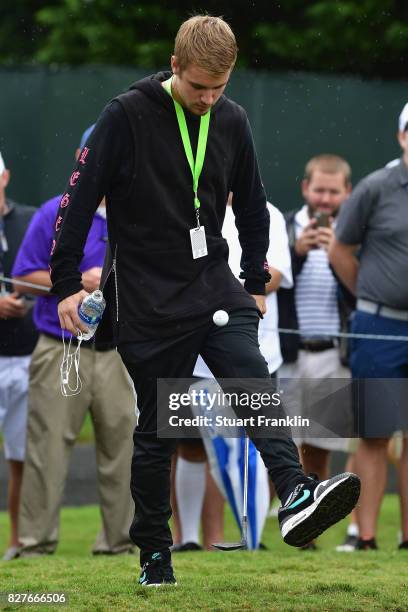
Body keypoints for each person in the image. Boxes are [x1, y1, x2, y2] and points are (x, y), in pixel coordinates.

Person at [50, 16, 360, 586]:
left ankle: (293, 491)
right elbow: (77, 200)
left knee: (252, 376)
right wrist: (67, 282)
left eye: (219, 88)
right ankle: (154, 554)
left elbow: (253, 201)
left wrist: (253, 279)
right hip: (144, 294)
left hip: (214, 284)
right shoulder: (125, 116)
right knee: (158, 429)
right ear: (174, 67)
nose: (208, 99)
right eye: (198, 89)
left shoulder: (233, 118)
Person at [11, 127, 136, 557]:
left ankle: (120, 545)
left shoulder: (138, 214)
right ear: (83, 157)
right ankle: (34, 546)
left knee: (124, 450)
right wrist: (73, 282)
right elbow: (23, 276)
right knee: (47, 451)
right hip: (60, 347)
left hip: (120, 351)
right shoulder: (54, 212)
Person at [173, 198, 291, 552]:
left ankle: (249, 539)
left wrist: (225, 294)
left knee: (256, 442)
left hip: (256, 353)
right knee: (190, 446)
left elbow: (275, 275)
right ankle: (191, 539)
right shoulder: (185, 208)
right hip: (192, 353)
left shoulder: (268, 212)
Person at [329, 102, 408, 551]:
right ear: (401, 136)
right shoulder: (376, 188)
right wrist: (371, 297)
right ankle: (368, 537)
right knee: (376, 434)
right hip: (380, 328)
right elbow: (340, 248)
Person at [277, 154, 358, 550]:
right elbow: (270, 282)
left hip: (333, 352)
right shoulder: (283, 225)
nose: (325, 199)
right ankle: (291, 516)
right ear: (305, 188)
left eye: (333, 191)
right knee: (286, 444)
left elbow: (360, 293)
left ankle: (312, 529)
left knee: (321, 445)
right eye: (319, 189)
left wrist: (337, 255)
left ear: (347, 192)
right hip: (290, 352)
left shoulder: (354, 234)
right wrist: (297, 252)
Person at [0, 151, 38, 560]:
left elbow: (41, 269)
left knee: (21, 458)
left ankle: (18, 542)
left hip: (28, 354)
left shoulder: (29, 219)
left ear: (6, 176)